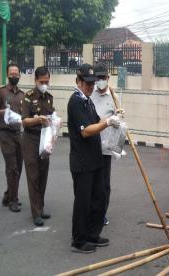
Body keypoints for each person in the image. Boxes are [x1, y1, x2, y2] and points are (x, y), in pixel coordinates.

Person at [67, 63, 120, 254]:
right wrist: (107, 123)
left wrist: (115, 124)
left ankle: (92, 234)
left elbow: (97, 120)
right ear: (78, 82)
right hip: (82, 162)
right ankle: (79, 240)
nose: (90, 86)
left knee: (99, 197)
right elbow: (86, 131)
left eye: (92, 82)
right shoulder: (76, 101)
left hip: (95, 159)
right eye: (87, 83)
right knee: (83, 202)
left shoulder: (88, 101)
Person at [21, 66, 54, 226]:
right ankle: (36, 212)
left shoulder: (49, 97)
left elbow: (51, 117)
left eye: (47, 81)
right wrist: (38, 119)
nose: (44, 84)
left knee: (43, 174)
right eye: (42, 82)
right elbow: (24, 120)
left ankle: (40, 207)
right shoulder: (28, 97)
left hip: (45, 139)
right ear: (35, 81)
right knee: (33, 176)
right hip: (31, 139)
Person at [90, 62, 119, 226]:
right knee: (92, 182)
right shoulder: (90, 94)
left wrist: (117, 146)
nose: (100, 81)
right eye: (98, 78)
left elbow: (120, 122)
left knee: (104, 184)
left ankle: (101, 214)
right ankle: (91, 212)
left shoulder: (113, 97)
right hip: (91, 146)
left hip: (106, 147)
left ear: (108, 78)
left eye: (103, 77)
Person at [0, 63, 25, 212]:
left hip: (18, 134)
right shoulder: (1, 92)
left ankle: (8, 195)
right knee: (12, 168)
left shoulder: (22, 94)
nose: (14, 76)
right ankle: (13, 201)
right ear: (7, 75)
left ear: (19, 75)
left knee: (19, 168)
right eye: (11, 73)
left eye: (16, 73)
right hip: (5, 133)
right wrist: (4, 113)